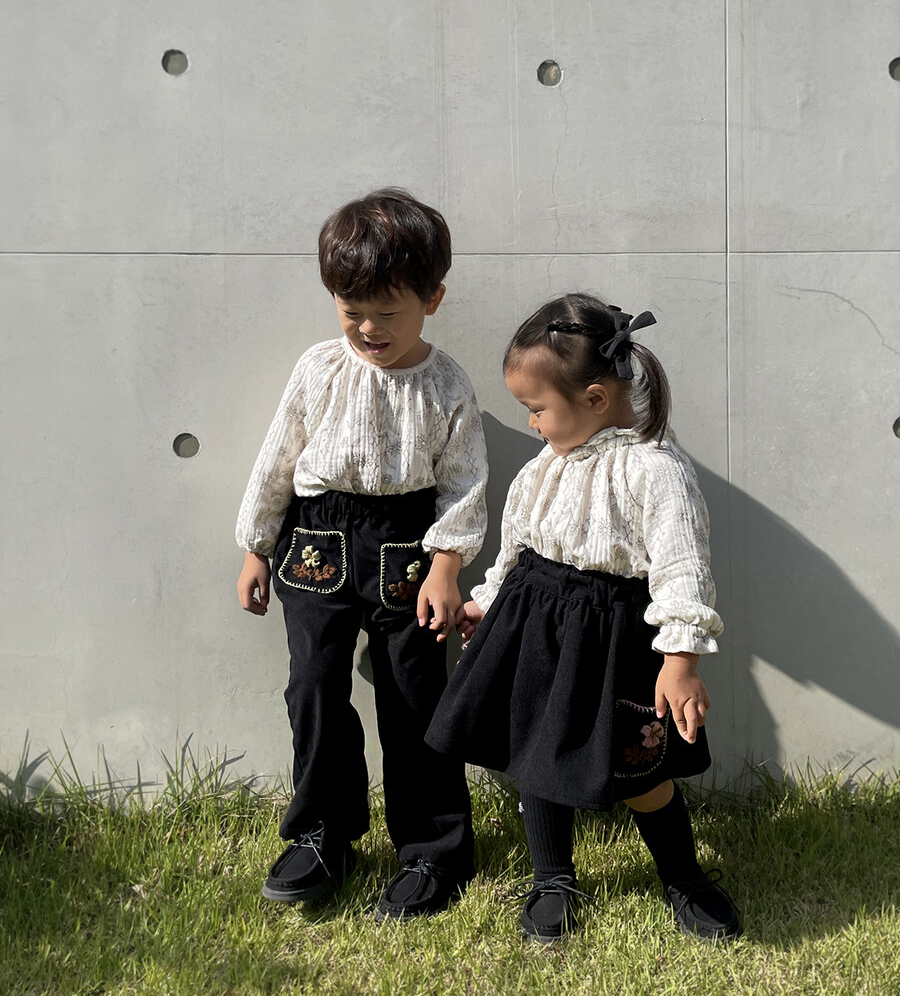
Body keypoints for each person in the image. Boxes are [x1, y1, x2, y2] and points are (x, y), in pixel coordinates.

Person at [426, 293, 740, 943]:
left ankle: (683, 876)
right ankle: (552, 879)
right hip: (535, 629)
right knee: (536, 755)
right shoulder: (545, 467)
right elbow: (517, 548)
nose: (533, 423)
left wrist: (680, 662)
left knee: (641, 770)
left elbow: (684, 570)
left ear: (595, 398)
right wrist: (488, 600)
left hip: (613, 640)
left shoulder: (657, 471)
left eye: (537, 408)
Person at [235, 188, 487, 921]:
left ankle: (434, 849)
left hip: (407, 547)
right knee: (313, 685)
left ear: (432, 300)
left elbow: (465, 481)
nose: (369, 329)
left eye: (388, 312)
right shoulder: (318, 368)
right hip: (315, 539)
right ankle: (323, 834)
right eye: (352, 310)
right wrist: (256, 546)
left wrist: (447, 566)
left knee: (414, 697)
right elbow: (277, 459)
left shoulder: (447, 384)